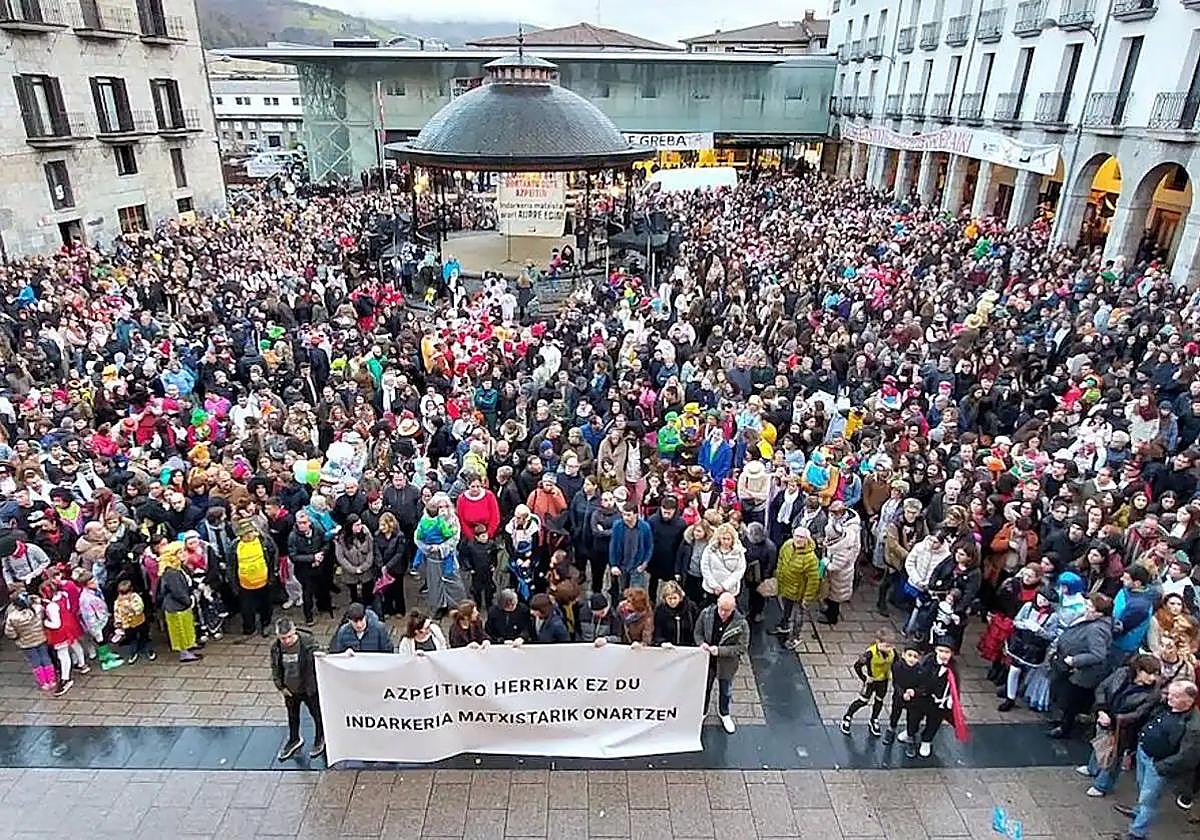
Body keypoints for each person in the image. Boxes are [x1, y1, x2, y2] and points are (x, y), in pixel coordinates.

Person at [1112, 681, 1200, 840]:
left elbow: (1187, 757)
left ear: (1189, 700)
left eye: (1176, 696)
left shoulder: (1194, 726)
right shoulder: (1167, 705)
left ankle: (1137, 834)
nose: (1169, 698)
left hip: (1158, 763)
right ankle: (1137, 812)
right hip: (1144, 754)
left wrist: (1160, 767)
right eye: (1170, 693)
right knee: (1141, 786)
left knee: (1149, 800)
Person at [1078, 654, 1163, 798]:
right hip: (1105, 716)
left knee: (1114, 756)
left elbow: (1139, 714)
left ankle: (1102, 786)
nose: (1152, 678)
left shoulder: (1153, 693)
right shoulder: (1122, 673)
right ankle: (1093, 768)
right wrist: (1101, 710)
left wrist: (1115, 719)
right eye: (1149, 673)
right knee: (1099, 744)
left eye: (1155, 674)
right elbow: (1102, 688)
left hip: (1124, 728)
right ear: (1138, 670)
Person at [1049, 594, 1116, 739]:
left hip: (1082, 673)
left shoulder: (1096, 629)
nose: (1086, 608)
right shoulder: (1090, 620)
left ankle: (1065, 728)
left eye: (1090, 607)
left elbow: (1098, 654)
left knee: (1071, 701)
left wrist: (1074, 660)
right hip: (1075, 669)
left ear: (1099, 613)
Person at [694, 591, 750, 734]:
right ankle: (703, 712)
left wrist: (720, 651)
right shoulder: (706, 614)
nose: (723, 613)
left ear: (734, 607)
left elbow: (742, 648)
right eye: (721, 609)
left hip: (726, 665)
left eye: (727, 610)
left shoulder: (741, 624)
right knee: (705, 688)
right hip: (707, 661)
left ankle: (724, 713)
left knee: (725, 691)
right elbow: (698, 633)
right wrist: (701, 644)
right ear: (717, 605)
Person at [270, 617, 325, 761]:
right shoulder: (276, 647)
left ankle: (320, 737)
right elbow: (275, 667)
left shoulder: (308, 643)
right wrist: (280, 686)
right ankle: (294, 739)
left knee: (317, 714)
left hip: (308, 689)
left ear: (294, 631)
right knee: (292, 717)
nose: (287, 641)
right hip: (290, 689)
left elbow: (321, 658)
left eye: (289, 637)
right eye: (283, 638)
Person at [904, 642, 967, 759]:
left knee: (934, 722)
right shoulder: (928, 661)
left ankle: (926, 740)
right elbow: (920, 678)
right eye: (941, 651)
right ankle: (910, 733)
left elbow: (954, 685)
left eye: (947, 652)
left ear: (952, 653)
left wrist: (950, 700)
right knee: (914, 717)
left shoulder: (953, 668)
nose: (943, 655)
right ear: (936, 650)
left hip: (939, 703)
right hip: (922, 698)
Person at [841, 628, 896, 737]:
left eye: (890, 646)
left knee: (879, 701)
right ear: (878, 642)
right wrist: (864, 678)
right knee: (863, 701)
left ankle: (874, 719)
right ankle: (847, 716)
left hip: (883, 681)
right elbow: (857, 666)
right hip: (871, 681)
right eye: (886, 646)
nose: (889, 649)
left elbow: (897, 664)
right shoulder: (869, 654)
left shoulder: (892, 653)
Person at [228, 517, 278, 637]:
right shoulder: (235, 546)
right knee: (247, 609)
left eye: (250, 532)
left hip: (264, 581)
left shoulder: (264, 541)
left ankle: (266, 624)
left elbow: (273, 556)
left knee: (266, 606)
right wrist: (234, 584)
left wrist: (272, 574)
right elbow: (231, 566)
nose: (249, 535)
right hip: (245, 584)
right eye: (245, 534)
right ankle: (249, 628)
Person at [773, 525, 821, 650]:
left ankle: (794, 638)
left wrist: (807, 599)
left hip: (799, 594)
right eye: (796, 536)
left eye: (802, 537)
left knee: (797, 617)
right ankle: (783, 626)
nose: (798, 539)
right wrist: (778, 575)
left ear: (807, 540)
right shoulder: (787, 545)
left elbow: (813, 581)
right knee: (786, 610)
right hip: (785, 588)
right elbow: (781, 559)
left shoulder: (811, 559)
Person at [156, 541, 202, 663]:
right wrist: (188, 601)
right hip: (176, 607)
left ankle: (189, 645)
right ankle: (184, 652)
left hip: (183, 605)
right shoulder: (171, 572)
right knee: (179, 629)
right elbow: (178, 592)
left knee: (187, 626)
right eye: (180, 552)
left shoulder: (179, 568)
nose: (183, 554)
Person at [608, 501, 652, 602]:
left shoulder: (645, 527)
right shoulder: (617, 526)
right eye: (623, 514)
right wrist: (613, 564)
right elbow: (613, 546)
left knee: (636, 594)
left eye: (628, 515)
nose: (625, 518)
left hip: (637, 566)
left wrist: (645, 563)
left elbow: (649, 546)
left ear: (636, 514)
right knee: (623, 592)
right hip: (622, 565)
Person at [333, 514, 376, 608]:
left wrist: (365, 566)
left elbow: (371, 550)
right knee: (353, 593)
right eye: (356, 525)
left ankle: (368, 606)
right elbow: (340, 557)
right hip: (350, 570)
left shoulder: (366, 533)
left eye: (360, 524)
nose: (359, 527)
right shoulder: (341, 538)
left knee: (368, 590)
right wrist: (353, 569)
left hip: (366, 569)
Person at [329, 602, 393, 653]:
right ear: (349, 620)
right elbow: (339, 655)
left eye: (361, 620)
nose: (359, 625)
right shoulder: (343, 632)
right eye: (355, 622)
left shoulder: (379, 629)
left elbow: (388, 652)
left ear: (365, 617)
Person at [652, 580, 695, 646]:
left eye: (675, 598)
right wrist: (662, 642)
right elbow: (657, 631)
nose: (672, 601)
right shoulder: (660, 611)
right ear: (665, 599)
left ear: (680, 597)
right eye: (670, 598)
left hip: (687, 647)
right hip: (667, 648)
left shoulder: (690, 608)